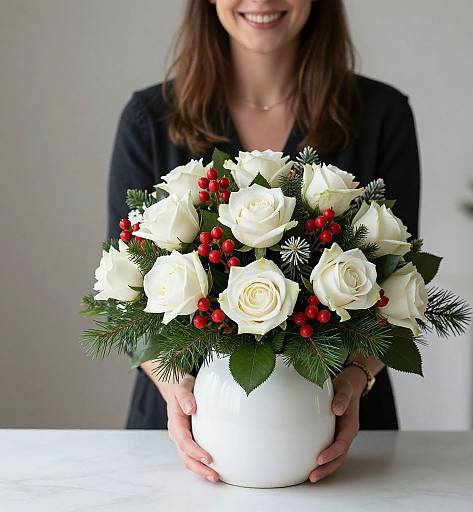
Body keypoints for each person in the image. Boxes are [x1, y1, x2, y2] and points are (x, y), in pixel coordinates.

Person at [108, 0, 420, 484]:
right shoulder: (149, 119)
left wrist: (356, 380)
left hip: (339, 433)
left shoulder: (381, 115)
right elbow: (124, 289)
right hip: (185, 437)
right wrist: (177, 391)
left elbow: (398, 288)